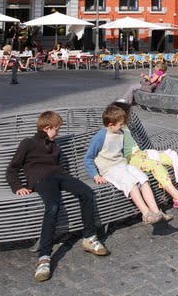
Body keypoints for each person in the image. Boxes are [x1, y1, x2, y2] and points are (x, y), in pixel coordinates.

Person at [6, 110, 109, 283]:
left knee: (86, 192)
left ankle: (89, 238)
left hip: (60, 176)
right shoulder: (28, 143)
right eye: (57, 129)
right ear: (47, 128)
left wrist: (66, 177)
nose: (58, 133)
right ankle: (44, 257)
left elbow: (58, 167)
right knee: (53, 206)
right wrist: (17, 186)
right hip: (41, 179)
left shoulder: (54, 145)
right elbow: (12, 169)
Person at [107, 102, 178, 209]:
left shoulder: (123, 126)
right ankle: (177, 197)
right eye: (126, 116)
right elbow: (110, 153)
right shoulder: (113, 131)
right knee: (157, 166)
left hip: (142, 153)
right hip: (133, 159)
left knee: (172, 156)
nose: (128, 118)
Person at [85, 104, 169, 226]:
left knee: (144, 179)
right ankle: (146, 213)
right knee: (131, 183)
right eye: (120, 124)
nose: (123, 126)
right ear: (110, 125)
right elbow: (88, 158)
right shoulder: (100, 137)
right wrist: (95, 175)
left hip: (122, 165)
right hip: (110, 169)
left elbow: (121, 152)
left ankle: (157, 212)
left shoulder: (120, 132)